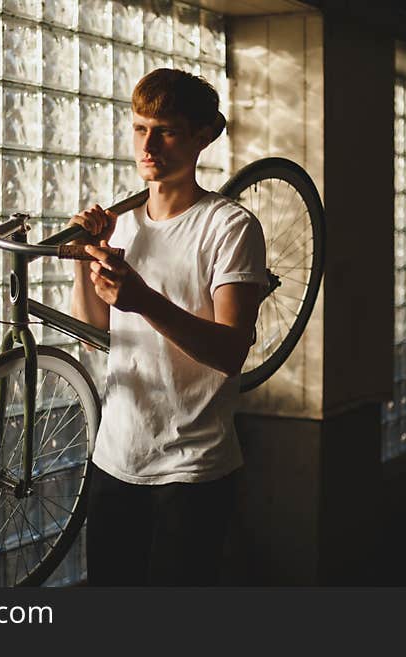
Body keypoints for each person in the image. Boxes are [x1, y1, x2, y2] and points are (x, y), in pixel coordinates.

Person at [68, 68, 267, 586]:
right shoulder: (124, 223)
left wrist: (143, 300)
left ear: (204, 136)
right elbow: (95, 329)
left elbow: (230, 351)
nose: (148, 144)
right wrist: (84, 258)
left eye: (167, 130)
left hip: (193, 468)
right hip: (115, 456)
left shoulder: (229, 226)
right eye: (139, 128)